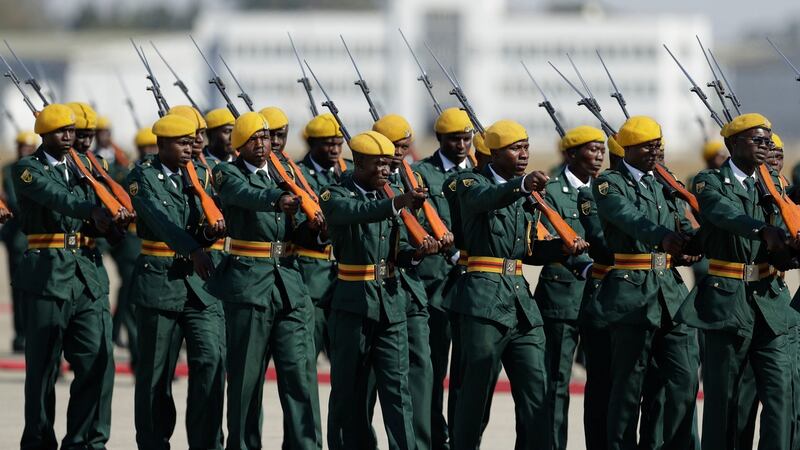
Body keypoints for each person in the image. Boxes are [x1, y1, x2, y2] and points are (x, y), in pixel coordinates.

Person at [447, 119, 588, 449]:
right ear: (494, 154)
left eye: (526, 147)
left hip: (520, 304)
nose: (524, 154)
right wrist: (522, 187)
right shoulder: (469, 181)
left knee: (536, 392)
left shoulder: (527, 195)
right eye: (515, 148)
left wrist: (562, 247)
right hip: (482, 301)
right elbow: (486, 199)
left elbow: (529, 251)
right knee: (475, 394)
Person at [678, 113, 797, 450]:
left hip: (770, 302)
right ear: (732, 144)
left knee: (781, 392)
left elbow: (783, 241)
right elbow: (721, 213)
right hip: (729, 302)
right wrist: (764, 231)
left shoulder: (773, 182)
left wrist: (791, 247)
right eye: (757, 140)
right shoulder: (710, 181)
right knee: (725, 400)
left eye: (768, 140)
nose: (765, 146)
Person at [208, 111, 322, 449]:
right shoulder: (227, 173)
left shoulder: (286, 175)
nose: (263, 145)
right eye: (254, 140)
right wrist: (277, 198)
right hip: (249, 285)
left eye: (266, 138)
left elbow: (296, 232)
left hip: (289, 286)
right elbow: (244, 195)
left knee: (299, 374)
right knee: (246, 380)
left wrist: (317, 231)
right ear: (239, 146)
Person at [320, 130, 439, 450]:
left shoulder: (391, 194)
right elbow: (354, 214)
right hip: (352, 303)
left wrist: (416, 253)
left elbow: (396, 251)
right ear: (358, 162)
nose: (387, 171)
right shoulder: (334, 194)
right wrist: (396, 203)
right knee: (348, 391)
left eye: (389, 165)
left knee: (398, 392)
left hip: (390, 303)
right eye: (380, 164)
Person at [15, 103, 122, 449]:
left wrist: (113, 216)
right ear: (44, 135)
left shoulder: (89, 167)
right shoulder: (27, 170)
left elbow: (103, 210)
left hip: (87, 275)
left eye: (71, 131)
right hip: (48, 276)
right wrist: (90, 207)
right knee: (44, 371)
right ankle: (38, 441)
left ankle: (83, 441)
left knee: (97, 362)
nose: (68, 137)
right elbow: (56, 197)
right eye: (61, 131)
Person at [594, 116, 700, 450]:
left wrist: (696, 244)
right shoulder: (609, 183)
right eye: (647, 145)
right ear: (627, 148)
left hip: (669, 291)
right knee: (628, 388)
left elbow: (683, 223)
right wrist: (663, 237)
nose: (656, 150)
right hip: (632, 294)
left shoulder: (664, 183)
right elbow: (630, 219)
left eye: (659, 144)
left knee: (682, 382)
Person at [127, 114, 227, 450]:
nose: (191, 148)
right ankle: (155, 443)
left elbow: (201, 220)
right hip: (161, 281)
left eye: (193, 141)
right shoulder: (142, 176)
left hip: (200, 287)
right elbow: (161, 221)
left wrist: (209, 233)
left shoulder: (200, 174)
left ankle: (207, 442)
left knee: (211, 360)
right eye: (182, 142)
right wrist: (194, 248)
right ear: (162, 144)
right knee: (156, 375)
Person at [534, 125, 604, 450]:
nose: (599, 155)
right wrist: (584, 263)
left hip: (601, 300)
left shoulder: (606, 191)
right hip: (562, 298)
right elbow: (546, 238)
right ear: (572, 153)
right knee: (556, 383)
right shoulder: (551, 191)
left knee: (601, 383)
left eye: (602, 149)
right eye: (592, 149)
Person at [410, 108, 474, 449]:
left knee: (467, 369)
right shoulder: (422, 174)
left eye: (466, 138)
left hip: (474, 283)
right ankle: (436, 435)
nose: (461, 144)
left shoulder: (482, 172)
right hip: (434, 282)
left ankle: (463, 436)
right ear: (440, 140)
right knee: (432, 367)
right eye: (454, 139)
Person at [294, 112, 352, 357]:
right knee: (309, 352)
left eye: (338, 144)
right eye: (328, 143)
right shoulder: (297, 174)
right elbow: (297, 226)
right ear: (313, 144)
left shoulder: (349, 173)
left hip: (345, 277)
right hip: (313, 275)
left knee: (345, 358)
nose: (335, 149)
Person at [1, 130, 37, 352]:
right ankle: (20, 334)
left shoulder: (39, 168)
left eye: (29, 147)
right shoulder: (9, 169)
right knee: (18, 289)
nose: (25, 150)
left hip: (37, 238)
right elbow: (14, 201)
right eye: (22, 146)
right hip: (18, 237)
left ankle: (31, 332)